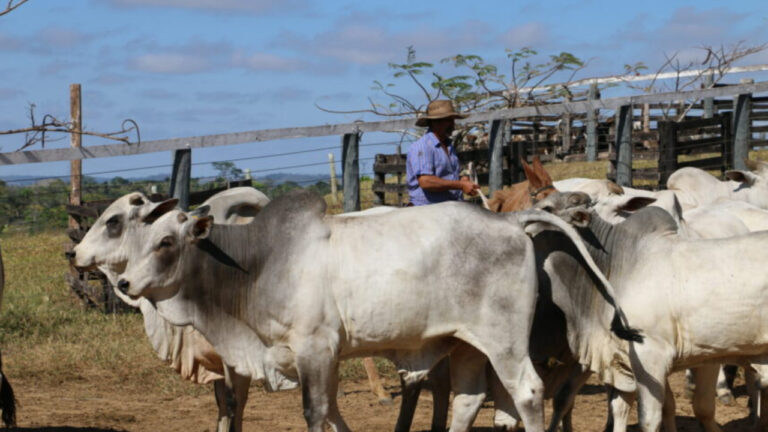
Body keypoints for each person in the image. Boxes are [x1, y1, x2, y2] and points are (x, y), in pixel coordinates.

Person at [406, 100, 480, 206]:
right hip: (427, 210)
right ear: (436, 122)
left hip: (447, 207)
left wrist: (461, 180)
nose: (452, 124)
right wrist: (460, 185)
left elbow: (445, 176)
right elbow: (426, 181)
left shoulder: (448, 146)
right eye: (448, 120)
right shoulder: (423, 146)